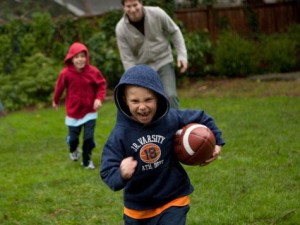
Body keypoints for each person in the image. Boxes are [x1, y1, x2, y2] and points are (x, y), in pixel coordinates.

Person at [100, 65, 225, 224]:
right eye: (135, 101)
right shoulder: (120, 134)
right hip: (138, 208)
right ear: (125, 100)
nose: (142, 106)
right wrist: (122, 174)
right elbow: (107, 170)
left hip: (173, 198)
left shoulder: (170, 118)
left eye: (148, 99)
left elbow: (202, 117)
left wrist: (217, 144)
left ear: (158, 97)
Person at [116, 0, 188, 109]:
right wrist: (134, 78)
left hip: (163, 61)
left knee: (170, 96)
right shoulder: (121, 29)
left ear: (141, 3)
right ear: (123, 7)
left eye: (135, 5)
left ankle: (175, 124)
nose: (132, 9)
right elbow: (127, 58)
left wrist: (182, 55)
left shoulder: (157, 13)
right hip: (143, 69)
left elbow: (174, 31)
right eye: (128, 6)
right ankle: (155, 125)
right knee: (148, 101)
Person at [53, 42, 107, 170]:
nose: (80, 59)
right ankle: (73, 148)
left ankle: (87, 161)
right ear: (71, 58)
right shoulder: (66, 73)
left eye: (82, 56)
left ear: (86, 57)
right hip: (73, 111)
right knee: (73, 140)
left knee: (88, 138)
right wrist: (55, 100)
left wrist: (99, 99)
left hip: (90, 111)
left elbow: (101, 85)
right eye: (76, 57)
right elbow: (59, 88)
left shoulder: (93, 72)